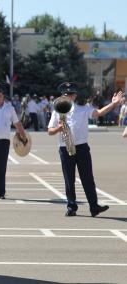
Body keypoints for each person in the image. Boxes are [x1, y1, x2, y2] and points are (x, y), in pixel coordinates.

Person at [48, 82, 123, 217]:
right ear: (62, 96)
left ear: (75, 95)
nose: (69, 96)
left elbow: (99, 113)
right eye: (66, 94)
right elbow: (50, 131)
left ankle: (94, 207)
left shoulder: (83, 108)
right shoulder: (57, 110)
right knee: (69, 178)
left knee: (87, 178)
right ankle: (71, 206)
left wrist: (114, 104)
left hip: (82, 147)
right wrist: (59, 128)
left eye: (71, 94)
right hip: (65, 147)